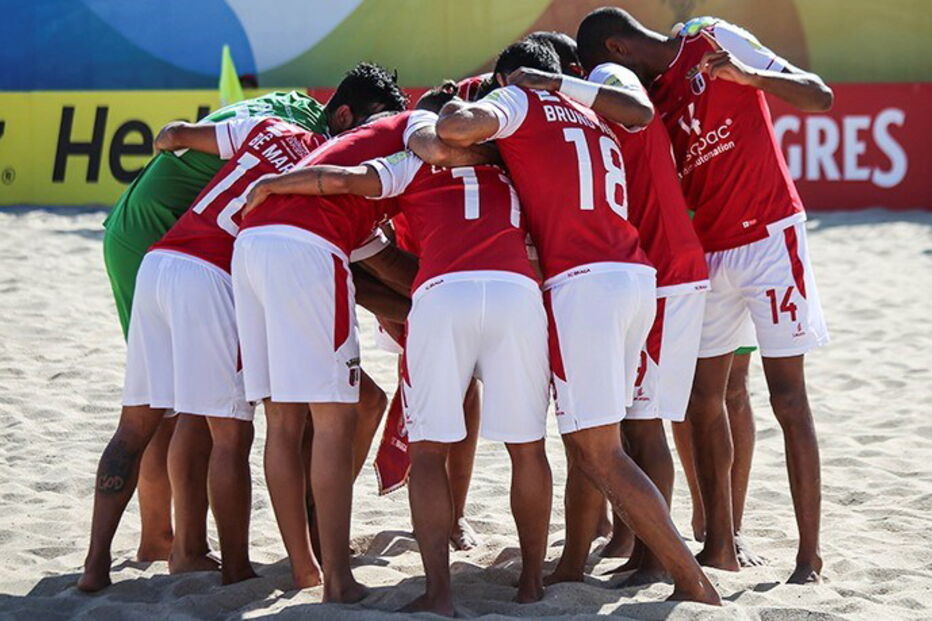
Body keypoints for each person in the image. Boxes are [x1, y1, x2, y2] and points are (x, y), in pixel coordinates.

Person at [432, 39, 720, 605]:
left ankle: (694, 584)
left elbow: (457, 130)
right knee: (597, 437)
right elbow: (638, 114)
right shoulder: (591, 109)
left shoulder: (517, 99)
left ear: (515, 74)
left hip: (583, 283)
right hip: (633, 275)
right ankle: (571, 565)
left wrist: (457, 106)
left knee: (598, 449)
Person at [244, 112, 553, 616]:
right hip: (515, 293)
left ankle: (439, 593)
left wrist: (276, 181)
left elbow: (338, 180)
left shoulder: (410, 163)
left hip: (441, 292)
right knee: (528, 449)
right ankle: (532, 584)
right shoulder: (510, 165)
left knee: (428, 453)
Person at [98, 63, 406, 564]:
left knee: (165, 407)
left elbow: (172, 136)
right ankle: (180, 542)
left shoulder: (284, 115)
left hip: (160, 241)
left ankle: (162, 544)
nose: (373, 142)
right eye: (367, 128)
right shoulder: (318, 157)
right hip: (181, 246)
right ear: (344, 115)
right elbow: (347, 267)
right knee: (187, 411)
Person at [576, 8, 832, 582]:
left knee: (788, 400)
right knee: (702, 401)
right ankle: (721, 543)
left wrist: (751, 77)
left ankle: (810, 558)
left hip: (772, 236)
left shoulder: (711, 38)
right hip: (709, 254)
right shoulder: (652, 101)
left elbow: (818, 97)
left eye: (605, 70)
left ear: (617, 48)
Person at [543, 53, 710, 586]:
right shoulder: (585, 112)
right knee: (622, 426)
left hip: (664, 271)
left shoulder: (604, 80)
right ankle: (631, 542)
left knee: (642, 424)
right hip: (649, 269)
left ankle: (656, 559)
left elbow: (636, 107)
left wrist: (558, 82)